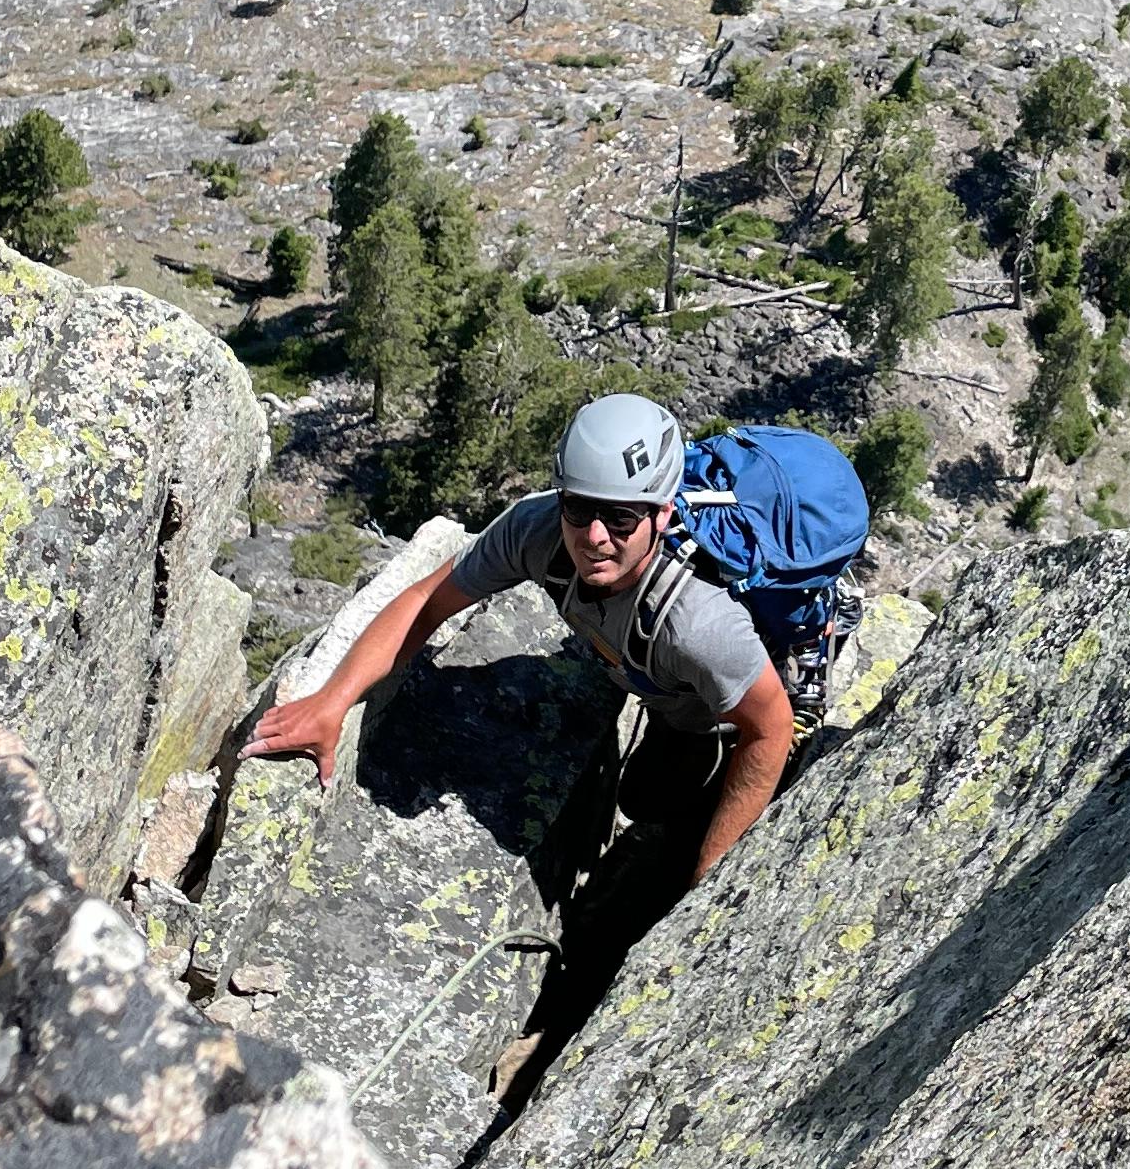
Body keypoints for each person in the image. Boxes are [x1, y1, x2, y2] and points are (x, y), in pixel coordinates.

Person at [247, 393, 796, 1100]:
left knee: (664, 813)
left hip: (717, 715)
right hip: (661, 687)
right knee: (642, 799)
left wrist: (708, 879)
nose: (594, 536)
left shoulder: (702, 624)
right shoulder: (539, 531)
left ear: (663, 514)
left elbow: (768, 728)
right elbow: (425, 601)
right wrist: (333, 701)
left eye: (620, 519)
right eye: (580, 509)